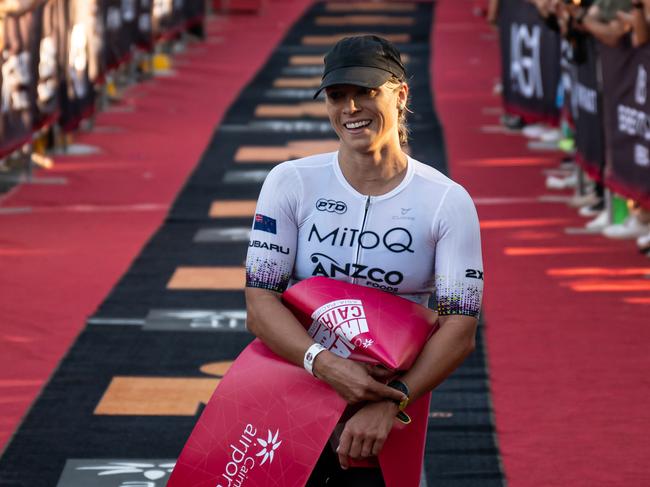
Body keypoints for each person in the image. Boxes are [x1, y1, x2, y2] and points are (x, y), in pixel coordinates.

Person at [244, 35, 484, 486]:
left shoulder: (447, 201)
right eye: (337, 96)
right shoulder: (289, 182)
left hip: (385, 408)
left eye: (366, 92)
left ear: (400, 95)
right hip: (292, 387)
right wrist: (325, 364)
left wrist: (392, 401)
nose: (351, 108)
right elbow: (260, 304)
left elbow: (460, 328)